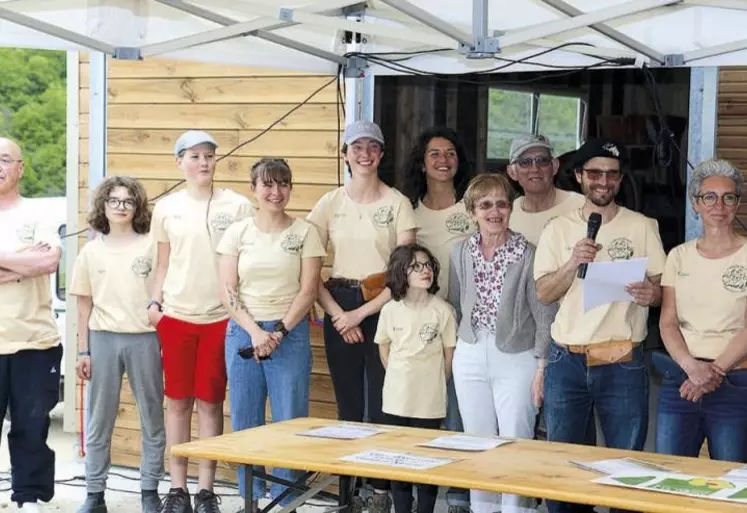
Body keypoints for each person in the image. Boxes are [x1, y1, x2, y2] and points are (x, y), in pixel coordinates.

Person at [534, 138, 667, 513]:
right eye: (594, 173)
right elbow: (544, 292)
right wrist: (572, 262)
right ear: (578, 177)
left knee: (625, 470)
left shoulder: (642, 226)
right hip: (567, 362)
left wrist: (650, 294)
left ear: (620, 180)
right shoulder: (557, 229)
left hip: (622, 361)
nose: (603, 181)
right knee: (565, 468)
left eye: (611, 174)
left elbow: (661, 291)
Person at [307, 120, 417, 513]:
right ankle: (347, 491)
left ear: (382, 154)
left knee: (382, 402)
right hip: (340, 303)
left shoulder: (398, 203)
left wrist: (361, 315)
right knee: (349, 404)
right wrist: (339, 315)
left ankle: (380, 489)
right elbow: (308, 269)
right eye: (357, 146)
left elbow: (402, 273)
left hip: (384, 307)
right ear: (346, 154)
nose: (365, 153)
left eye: (373, 146)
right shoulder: (329, 203)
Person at [148, 130, 254, 513]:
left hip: (220, 318)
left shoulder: (238, 205)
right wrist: (154, 302)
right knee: (177, 403)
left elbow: (246, 259)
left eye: (209, 155)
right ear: (180, 162)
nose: (204, 162)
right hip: (176, 317)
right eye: (194, 156)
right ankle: (177, 489)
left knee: (210, 403)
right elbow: (162, 262)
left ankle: (206, 489)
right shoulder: (166, 208)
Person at [217, 159, 325, 510]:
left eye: (283, 184)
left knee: (290, 418)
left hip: (288, 334)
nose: (276, 192)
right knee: (246, 417)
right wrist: (254, 332)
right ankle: (251, 495)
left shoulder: (305, 232)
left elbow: (308, 290)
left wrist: (277, 332)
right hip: (243, 333)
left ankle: (287, 499)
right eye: (268, 185)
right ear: (254, 189)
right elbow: (228, 290)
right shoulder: (237, 233)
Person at [448, 173, 555, 513]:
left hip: (517, 356)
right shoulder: (459, 251)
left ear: (511, 209)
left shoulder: (529, 254)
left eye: (501, 204)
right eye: (485, 205)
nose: (494, 211)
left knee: (515, 442)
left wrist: (541, 367)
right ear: (472, 211)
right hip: (470, 353)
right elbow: (455, 301)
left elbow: (544, 315)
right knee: (477, 443)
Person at [70, 176, 165, 513]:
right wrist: (84, 349)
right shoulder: (91, 251)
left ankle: (150, 489)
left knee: (152, 415)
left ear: (137, 206)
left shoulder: (151, 246)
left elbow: (163, 294)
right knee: (100, 418)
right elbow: (84, 305)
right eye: (114, 200)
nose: (121, 206)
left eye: (128, 201)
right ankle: (95, 494)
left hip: (145, 338)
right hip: (104, 339)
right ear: (104, 207)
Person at [401, 126, 474, 513]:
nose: (444, 160)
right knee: (425, 405)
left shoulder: (473, 205)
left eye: (450, 153)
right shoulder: (409, 211)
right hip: (424, 320)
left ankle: (460, 497)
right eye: (435, 154)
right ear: (422, 163)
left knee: (460, 406)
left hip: (468, 319)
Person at [657, 159, 747, 463]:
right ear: (696, 204)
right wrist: (693, 369)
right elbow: (667, 321)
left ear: (737, 204)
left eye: (728, 197)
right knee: (670, 477)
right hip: (681, 380)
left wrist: (714, 371)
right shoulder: (679, 256)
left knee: (730, 482)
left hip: (736, 383)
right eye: (709, 197)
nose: (718, 205)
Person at [0, 137, 63, 512]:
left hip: (34, 341)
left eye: (6, 159)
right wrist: (19, 263)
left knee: (31, 425)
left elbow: (48, 262)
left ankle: (29, 497)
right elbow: (32, 264)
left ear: (21, 168)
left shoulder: (37, 213)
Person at [375, 243, 456, 513]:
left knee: (426, 461)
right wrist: (401, 376)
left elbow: (448, 356)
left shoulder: (443, 311)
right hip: (397, 397)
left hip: (430, 398)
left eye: (428, 265)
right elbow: (384, 349)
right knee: (399, 460)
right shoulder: (390, 310)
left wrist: (432, 383)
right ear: (401, 272)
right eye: (416, 266)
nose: (425, 271)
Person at [507, 134, 585, 246]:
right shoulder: (507, 213)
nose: (534, 169)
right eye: (525, 162)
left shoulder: (582, 206)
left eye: (542, 160)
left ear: (554, 166)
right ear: (512, 172)